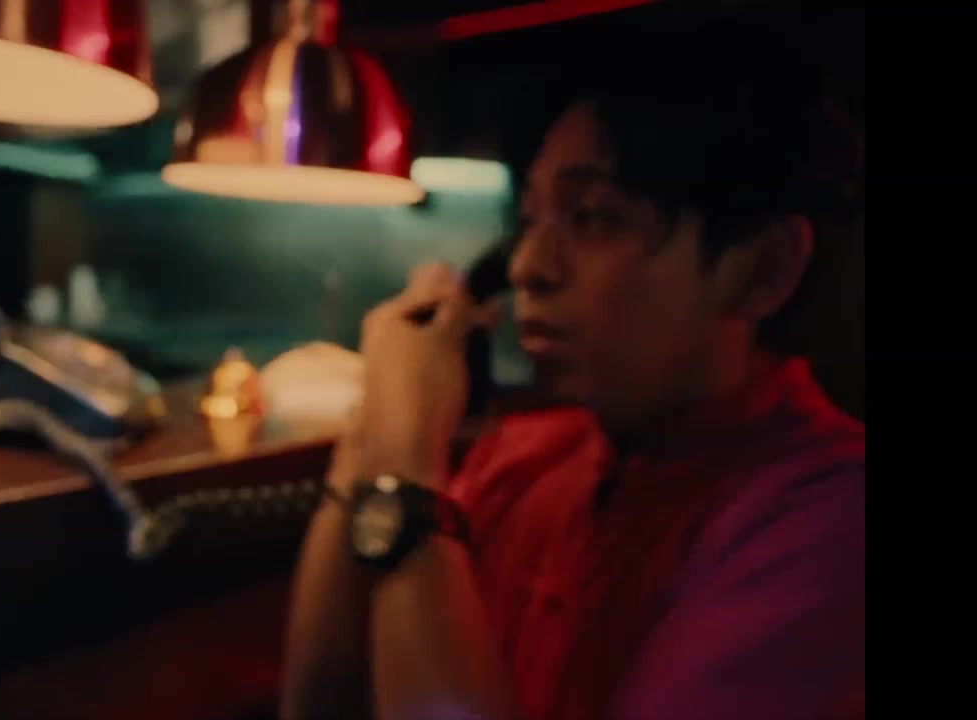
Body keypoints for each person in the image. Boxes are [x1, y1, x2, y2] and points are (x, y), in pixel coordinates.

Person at [280, 20, 864, 720]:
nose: (526, 267)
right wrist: (373, 434)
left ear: (763, 270)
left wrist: (408, 479)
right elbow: (320, 704)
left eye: (593, 217)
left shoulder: (825, 523)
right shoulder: (526, 458)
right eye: (530, 221)